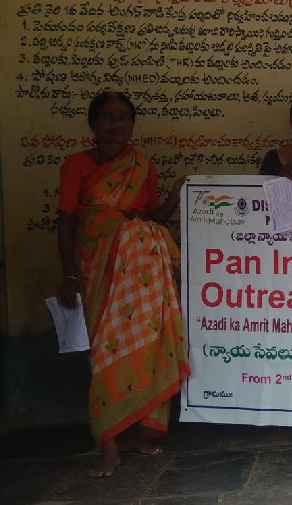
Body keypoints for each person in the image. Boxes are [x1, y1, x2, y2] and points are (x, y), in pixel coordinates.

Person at [55, 91, 191, 478]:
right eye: (108, 117)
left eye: (123, 118)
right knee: (105, 355)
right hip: (97, 271)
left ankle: (134, 435)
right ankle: (108, 445)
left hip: (141, 277)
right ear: (93, 124)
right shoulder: (75, 165)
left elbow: (152, 219)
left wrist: (174, 197)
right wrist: (69, 273)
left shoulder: (142, 165)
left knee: (144, 350)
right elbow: (66, 221)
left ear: (132, 124)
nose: (116, 124)